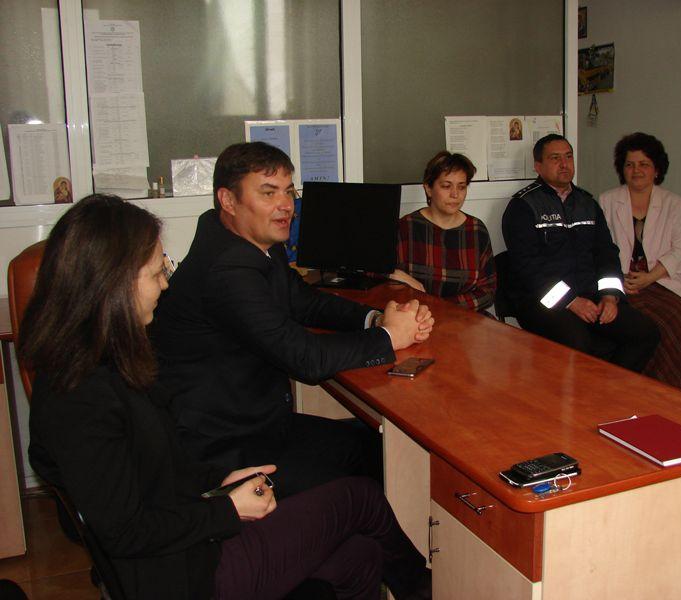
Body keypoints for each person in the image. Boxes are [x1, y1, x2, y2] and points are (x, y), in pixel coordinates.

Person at [21, 194, 431, 600]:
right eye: (157, 272)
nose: (166, 284)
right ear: (113, 284)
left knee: (360, 557)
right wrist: (226, 510)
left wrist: (219, 482)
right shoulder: (80, 396)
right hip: (185, 574)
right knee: (360, 499)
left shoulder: (108, 359)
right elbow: (126, 531)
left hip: (189, 534)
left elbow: (158, 467)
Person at [150, 142, 434, 498]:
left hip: (255, 422)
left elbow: (302, 301)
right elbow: (305, 358)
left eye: (289, 191)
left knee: (372, 447)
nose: (286, 205)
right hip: (224, 447)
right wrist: (390, 337)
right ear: (228, 200)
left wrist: (374, 319)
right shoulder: (226, 269)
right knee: (377, 465)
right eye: (268, 193)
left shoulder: (251, 240)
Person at [501, 133, 659, 372]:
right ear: (538, 166)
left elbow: (607, 253)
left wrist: (610, 296)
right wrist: (571, 302)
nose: (564, 164)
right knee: (578, 342)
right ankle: (587, 392)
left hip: (591, 295)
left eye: (568, 157)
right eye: (555, 158)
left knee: (646, 332)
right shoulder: (523, 206)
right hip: (544, 300)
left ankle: (611, 387)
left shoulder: (587, 203)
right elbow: (528, 269)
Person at [599, 132, 681, 392]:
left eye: (644, 164)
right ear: (622, 169)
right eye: (630, 164)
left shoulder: (672, 203)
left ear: (657, 170)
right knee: (653, 323)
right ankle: (646, 393)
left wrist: (650, 276)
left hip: (660, 279)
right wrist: (620, 280)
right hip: (623, 282)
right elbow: (601, 249)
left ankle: (680, 394)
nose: (636, 170)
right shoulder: (607, 200)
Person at [391, 151, 497, 312]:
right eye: (446, 186)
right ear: (428, 188)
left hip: (463, 317)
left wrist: (438, 306)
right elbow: (380, 277)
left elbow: (487, 291)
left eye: (462, 187)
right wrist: (395, 275)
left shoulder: (476, 230)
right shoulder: (406, 227)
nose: (455, 194)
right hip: (416, 318)